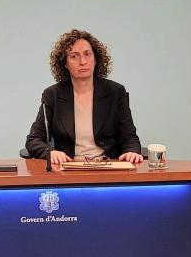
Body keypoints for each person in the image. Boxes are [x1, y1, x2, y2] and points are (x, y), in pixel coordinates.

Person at [26, 29, 143, 165]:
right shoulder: (52, 95)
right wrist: (50, 152)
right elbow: (33, 139)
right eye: (74, 56)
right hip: (68, 168)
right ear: (65, 63)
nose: (82, 61)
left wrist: (132, 151)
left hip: (107, 166)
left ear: (95, 59)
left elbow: (130, 137)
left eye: (87, 54)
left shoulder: (115, 92)